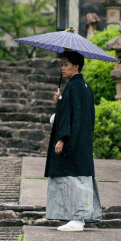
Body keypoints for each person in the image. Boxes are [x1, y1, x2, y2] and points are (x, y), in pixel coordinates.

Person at [45, 49, 102, 231]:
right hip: (82, 139)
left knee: (72, 178)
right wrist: (60, 101)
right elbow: (74, 112)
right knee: (80, 177)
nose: (63, 68)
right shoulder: (84, 87)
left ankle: (77, 220)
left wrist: (62, 138)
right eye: (62, 64)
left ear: (76, 66)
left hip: (72, 140)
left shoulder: (73, 87)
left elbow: (72, 116)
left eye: (66, 64)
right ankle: (80, 218)